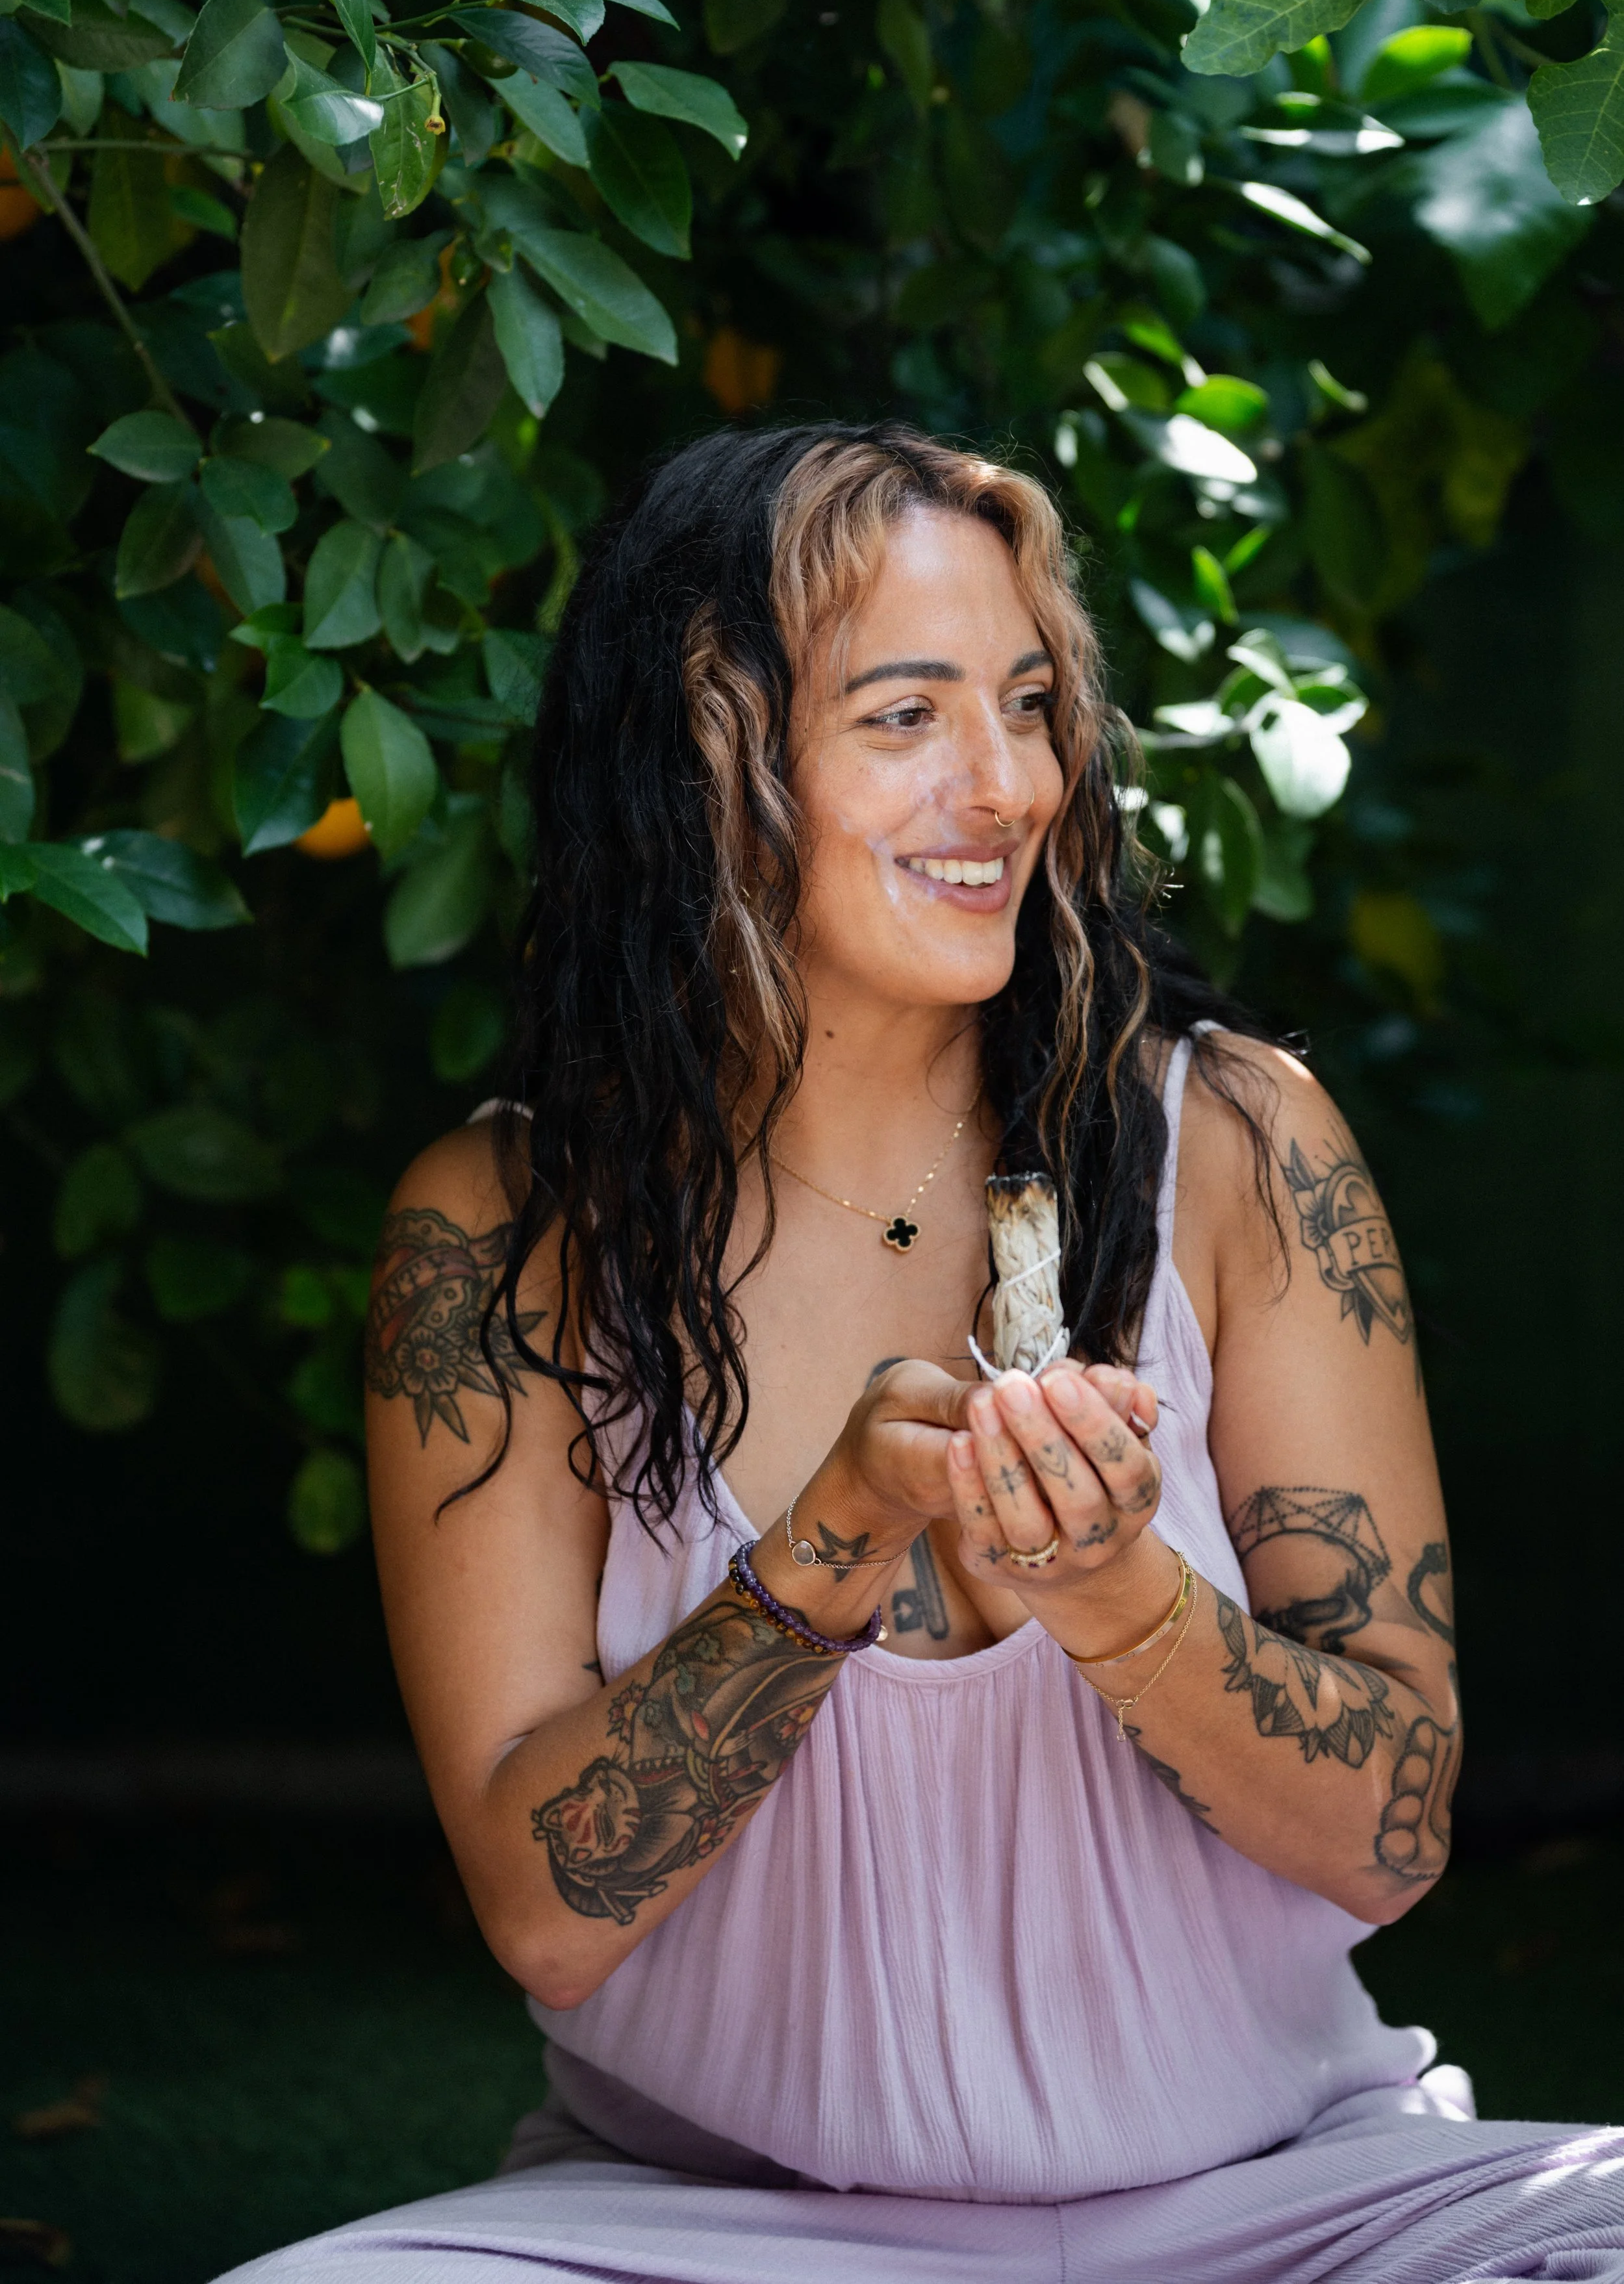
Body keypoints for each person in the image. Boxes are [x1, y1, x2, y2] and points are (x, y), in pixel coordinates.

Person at [223, 425, 1623, 2283]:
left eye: (1030, 704)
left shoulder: (1236, 1145)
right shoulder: (497, 1232)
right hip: (726, 2236)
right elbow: (548, 1917)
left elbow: (1391, 1831)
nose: (1009, 783)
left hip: (1283, 2207)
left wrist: (1119, 1596)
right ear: (710, 750)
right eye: (906, 716)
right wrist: (828, 1541)